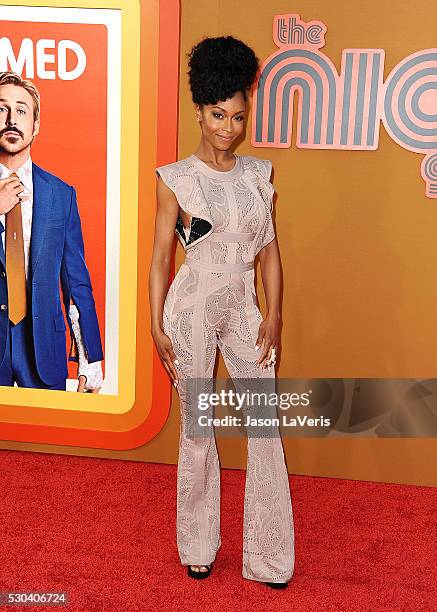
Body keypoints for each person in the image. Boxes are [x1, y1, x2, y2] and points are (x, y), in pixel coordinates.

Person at [149, 36, 294, 587]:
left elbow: (270, 255)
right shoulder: (175, 180)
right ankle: (199, 545)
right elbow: (160, 258)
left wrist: (273, 315)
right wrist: (154, 319)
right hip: (189, 313)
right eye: (217, 115)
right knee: (198, 429)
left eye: (237, 115)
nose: (228, 128)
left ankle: (269, 557)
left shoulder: (260, 176)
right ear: (200, 111)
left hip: (245, 311)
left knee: (264, 427)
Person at [0, 71, 103, 392]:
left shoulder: (61, 194)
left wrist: (90, 360)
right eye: (1, 109)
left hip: (44, 349)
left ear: (36, 125)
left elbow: (76, 282)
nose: (11, 119)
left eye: (21, 110)